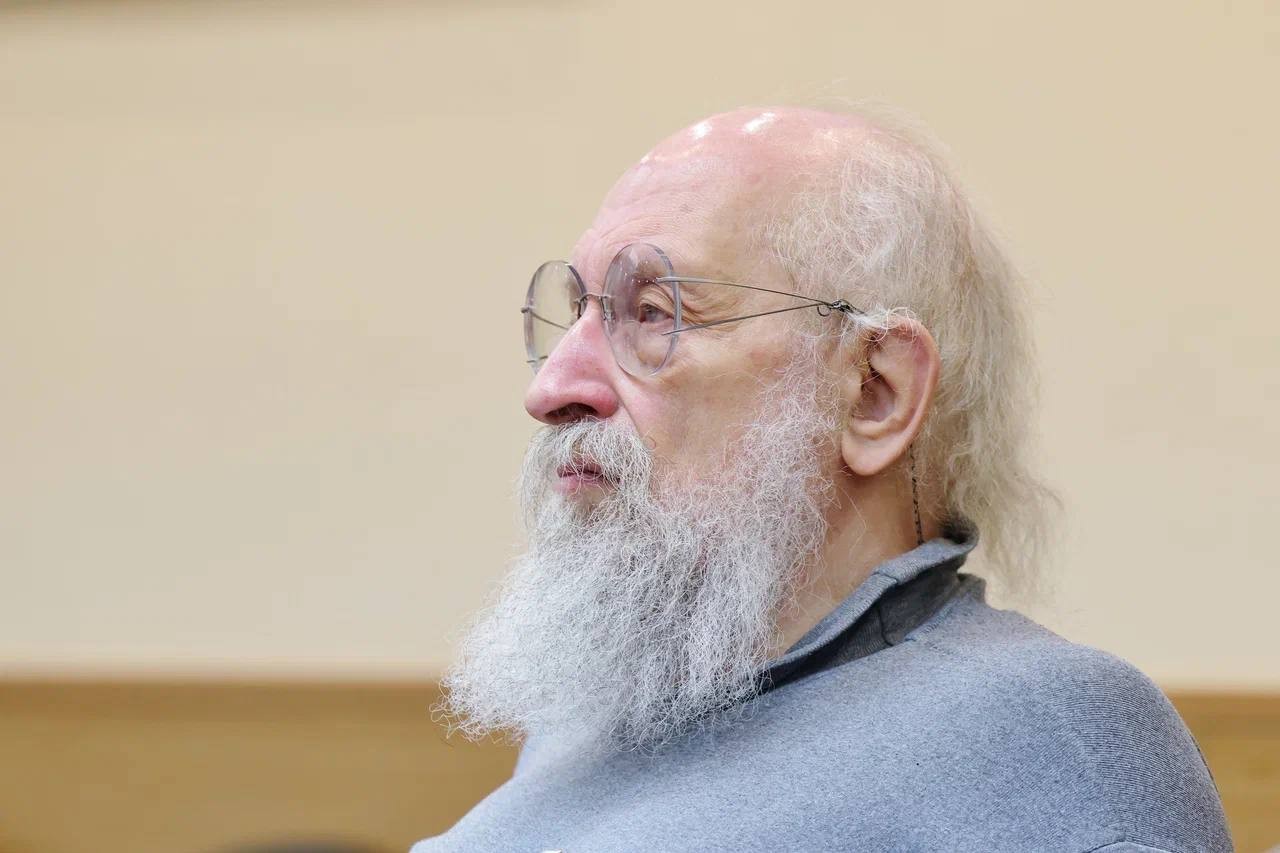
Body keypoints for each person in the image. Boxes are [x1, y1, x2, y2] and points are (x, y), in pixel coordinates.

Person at [412, 107, 1231, 852]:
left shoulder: (1049, 740)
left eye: (654, 312)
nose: (552, 387)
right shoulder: (600, 718)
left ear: (875, 393)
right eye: (578, 312)